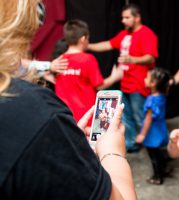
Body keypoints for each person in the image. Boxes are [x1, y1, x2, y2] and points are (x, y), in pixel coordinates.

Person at [0, 1, 136, 199]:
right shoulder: (41, 114)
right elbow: (98, 85)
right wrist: (113, 153)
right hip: (85, 119)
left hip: (71, 116)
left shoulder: (61, 60)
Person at [88, 3, 158, 152]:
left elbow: (151, 58)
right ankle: (133, 143)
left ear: (137, 17)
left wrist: (132, 59)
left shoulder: (147, 34)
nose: (123, 21)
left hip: (139, 85)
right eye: (122, 17)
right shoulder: (125, 34)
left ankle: (152, 148)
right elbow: (107, 44)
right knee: (127, 117)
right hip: (125, 83)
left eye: (127, 17)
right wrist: (88, 46)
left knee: (141, 117)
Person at [55, 19, 122, 124]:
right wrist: (115, 77)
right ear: (83, 39)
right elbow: (99, 86)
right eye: (88, 39)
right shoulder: (87, 59)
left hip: (65, 118)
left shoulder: (58, 61)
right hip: (87, 117)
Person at [135, 68, 170, 185]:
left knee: (153, 156)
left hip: (153, 132)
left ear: (153, 83)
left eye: (147, 77)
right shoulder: (162, 95)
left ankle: (157, 177)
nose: (144, 79)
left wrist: (142, 135)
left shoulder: (151, 101)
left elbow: (148, 120)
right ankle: (163, 169)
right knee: (159, 153)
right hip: (161, 128)